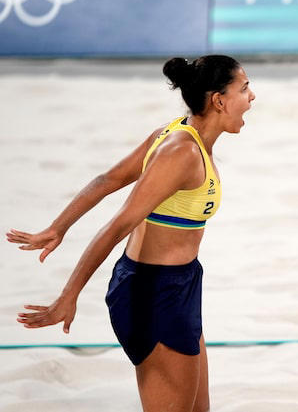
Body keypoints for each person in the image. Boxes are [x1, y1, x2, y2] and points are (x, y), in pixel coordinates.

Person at [6, 55, 255, 412]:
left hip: (180, 283)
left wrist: (57, 228)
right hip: (153, 293)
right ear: (218, 99)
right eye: (244, 88)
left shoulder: (177, 132)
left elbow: (108, 180)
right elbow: (117, 225)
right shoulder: (180, 152)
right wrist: (69, 295)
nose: (252, 96)